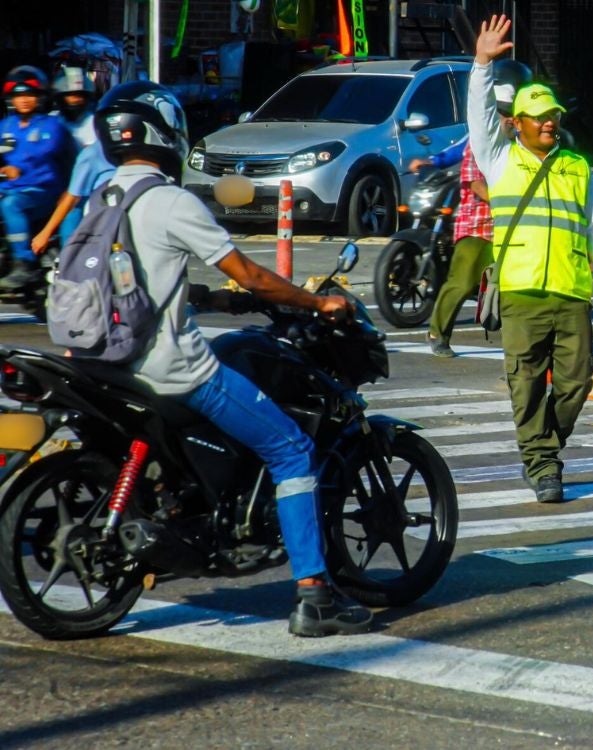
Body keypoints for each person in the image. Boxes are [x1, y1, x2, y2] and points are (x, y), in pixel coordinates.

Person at [91, 80, 371, 637]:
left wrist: (213, 301)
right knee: (292, 448)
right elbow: (250, 272)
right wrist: (316, 300)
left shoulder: (102, 197)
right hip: (172, 369)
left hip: (107, 363)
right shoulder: (170, 200)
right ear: (165, 132)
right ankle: (314, 595)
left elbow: (135, 282)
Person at [471, 15, 593, 503]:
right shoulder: (499, 159)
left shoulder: (577, 167)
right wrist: (482, 64)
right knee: (526, 384)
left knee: (577, 381)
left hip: (571, 289)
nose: (550, 122)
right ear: (517, 123)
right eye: (540, 116)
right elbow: (478, 115)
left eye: (553, 114)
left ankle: (542, 447)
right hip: (520, 291)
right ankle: (542, 464)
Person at [427, 79, 518, 358]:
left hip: (507, 230)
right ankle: (437, 332)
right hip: (476, 226)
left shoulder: (516, 147)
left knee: (513, 287)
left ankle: (520, 346)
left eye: (511, 115)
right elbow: (474, 183)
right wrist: (506, 201)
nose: (508, 121)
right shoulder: (479, 145)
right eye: (503, 115)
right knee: (463, 281)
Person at [0, 65, 75, 289]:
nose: (24, 100)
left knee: (12, 205)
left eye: (29, 95)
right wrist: (4, 170)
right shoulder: (5, 126)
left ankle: (25, 262)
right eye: (18, 95)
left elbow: (67, 160)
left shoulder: (52, 127)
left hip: (42, 192)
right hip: (9, 188)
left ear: (40, 97)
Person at [31, 141, 116, 254]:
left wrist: (45, 233)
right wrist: (45, 233)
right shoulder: (93, 153)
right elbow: (72, 198)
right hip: (112, 218)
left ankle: (69, 257)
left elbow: (72, 198)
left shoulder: (94, 152)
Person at [52, 67, 97, 149]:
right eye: (71, 94)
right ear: (60, 97)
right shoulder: (51, 120)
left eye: (80, 95)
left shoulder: (94, 123)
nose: (76, 99)